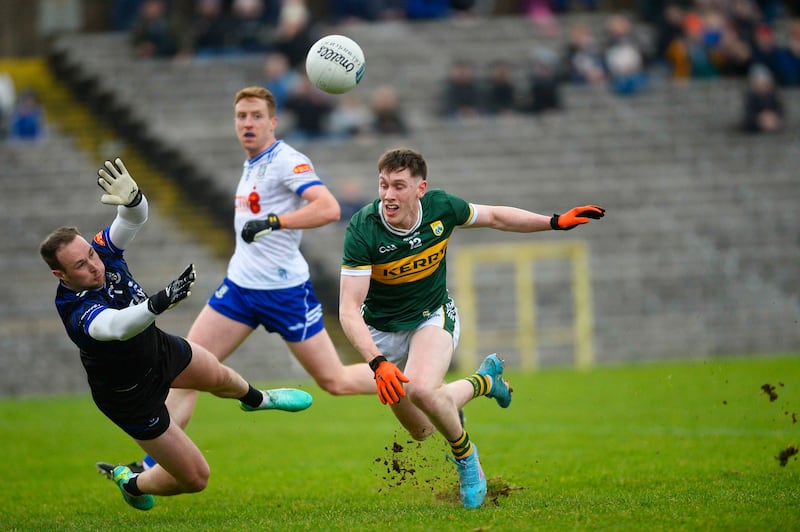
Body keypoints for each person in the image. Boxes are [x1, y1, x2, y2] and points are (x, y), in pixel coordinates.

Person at [120, 86, 377, 472]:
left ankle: (422, 388)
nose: (248, 123)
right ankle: (149, 467)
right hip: (239, 290)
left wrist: (277, 221)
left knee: (335, 380)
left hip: (285, 292)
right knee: (184, 372)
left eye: (256, 116)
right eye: (241, 116)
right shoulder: (252, 163)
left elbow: (328, 208)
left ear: (273, 122)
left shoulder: (286, 160)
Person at [39, 157, 313, 511]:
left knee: (216, 372)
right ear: (60, 275)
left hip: (157, 349)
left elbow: (132, 220)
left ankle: (257, 400)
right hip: (129, 395)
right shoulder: (73, 308)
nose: (94, 265)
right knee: (195, 478)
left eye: (91, 254)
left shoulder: (101, 253)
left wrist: (135, 200)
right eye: (80, 265)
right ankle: (132, 481)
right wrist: (159, 302)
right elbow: (116, 327)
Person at [338, 147, 605, 509]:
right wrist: (377, 362)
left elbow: (495, 216)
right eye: (383, 185)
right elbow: (349, 311)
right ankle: (484, 382)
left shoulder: (441, 208)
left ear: (420, 188)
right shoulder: (363, 229)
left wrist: (554, 221)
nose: (388, 195)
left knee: (422, 391)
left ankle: (466, 459)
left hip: (432, 316)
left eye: (399, 186)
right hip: (383, 333)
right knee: (421, 429)